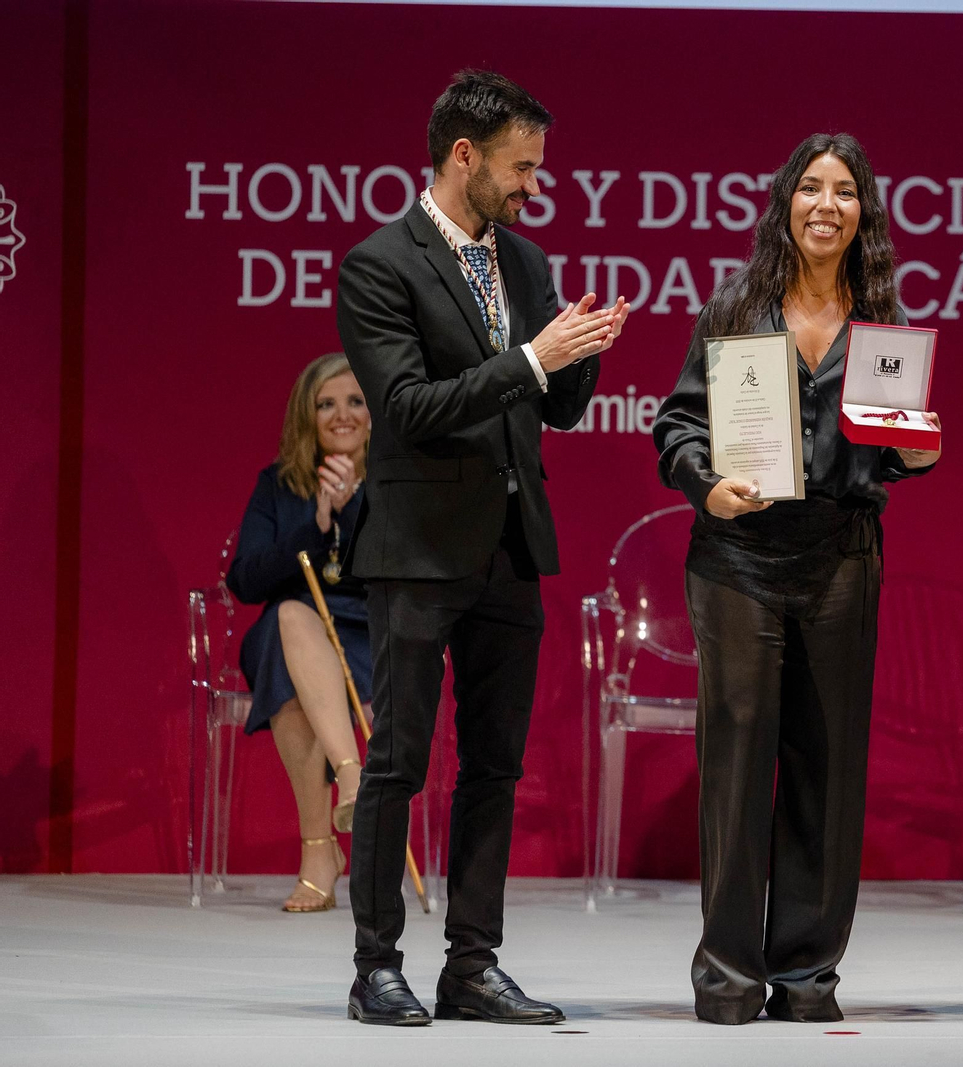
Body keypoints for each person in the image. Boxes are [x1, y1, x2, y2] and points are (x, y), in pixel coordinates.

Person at [335, 69, 628, 1027]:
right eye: (521, 167)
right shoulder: (380, 262)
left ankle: (473, 962)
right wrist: (535, 357)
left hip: (510, 544)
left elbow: (557, 406)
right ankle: (376, 963)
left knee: (495, 765)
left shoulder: (528, 262)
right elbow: (409, 409)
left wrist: (580, 350)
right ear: (464, 156)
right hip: (418, 546)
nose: (535, 185)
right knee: (400, 763)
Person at [654, 132, 940, 1025]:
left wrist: (918, 452)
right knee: (738, 768)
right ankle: (730, 975)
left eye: (845, 192)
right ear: (786, 203)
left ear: (864, 215)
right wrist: (708, 484)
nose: (826, 204)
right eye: (810, 188)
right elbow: (674, 427)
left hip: (842, 558)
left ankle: (808, 973)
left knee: (828, 766)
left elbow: (891, 450)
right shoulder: (735, 309)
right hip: (739, 556)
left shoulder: (884, 322)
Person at [226, 352, 371, 913]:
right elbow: (246, 579)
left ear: (374, 411)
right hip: (292, 632)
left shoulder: (396, 480)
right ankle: (352, 777)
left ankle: (319, 851)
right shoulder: (279, 484)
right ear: (305, 417)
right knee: (288, 622)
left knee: (287, 669)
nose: (342, 415)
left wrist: (354, 505)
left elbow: (402, 570)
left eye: (355, 401)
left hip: (368, 633)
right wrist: (315, 521)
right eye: (326, 404)